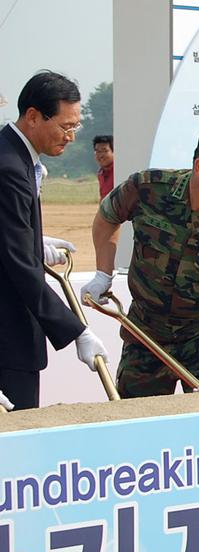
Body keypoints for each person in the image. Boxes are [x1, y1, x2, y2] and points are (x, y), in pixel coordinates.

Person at [81, 122, 199, 397]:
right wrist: (102, 274)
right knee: (138, 424)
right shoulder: (148, 188)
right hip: (144, 332)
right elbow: (108, 217)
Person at [0, 71, 108, 411]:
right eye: (65, 126)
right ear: (33, 116)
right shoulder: (9, 168)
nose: (72, 136)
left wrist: (33, 240)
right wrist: (76, 331)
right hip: (8, 337)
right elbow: (20, 266)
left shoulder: (18, 159)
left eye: (75, 127)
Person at [93, 134, 114, 199]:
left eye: (105, 151)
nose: (101, 155)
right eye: (98, 151)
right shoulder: (101, 173)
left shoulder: (120, 170)